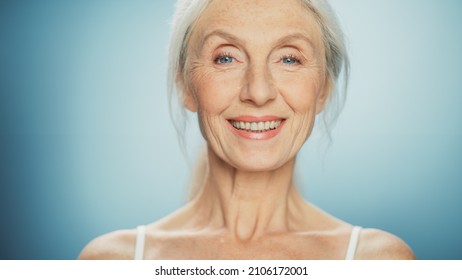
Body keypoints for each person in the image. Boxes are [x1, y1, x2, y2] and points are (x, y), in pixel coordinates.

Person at [79, 0, 415, 260]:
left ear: (323, 89)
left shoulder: (376, 261)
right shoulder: (112, 262)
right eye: (226, 58)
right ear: (186, 85)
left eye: (289, 59)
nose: (258, 91)